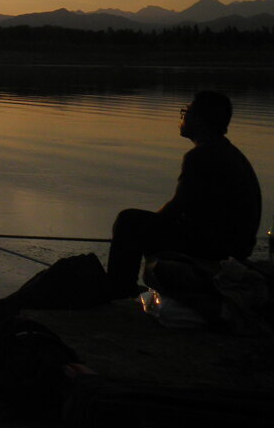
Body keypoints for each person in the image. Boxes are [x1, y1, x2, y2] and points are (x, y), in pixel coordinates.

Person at [106, 90, 262, 297]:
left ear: (198, 120)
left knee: (128, 221)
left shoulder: (201, 155)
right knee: (141, 225)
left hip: (218, 247)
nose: (181, 117)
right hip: (233, 243)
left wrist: (144, 230)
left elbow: (175, 209)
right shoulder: (228, 152)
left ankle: (118, 293)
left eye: (185, 112)